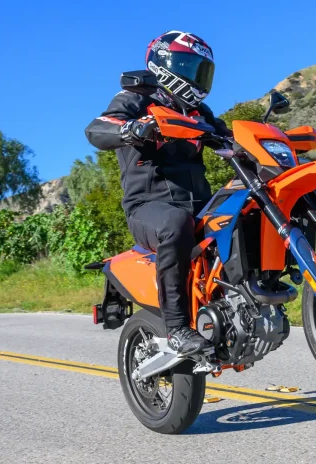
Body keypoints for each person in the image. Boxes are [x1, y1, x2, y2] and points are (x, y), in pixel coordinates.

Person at [85, 31, 231, 355]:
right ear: (164, 64)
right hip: (148, 208)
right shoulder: (137, 97)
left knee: (244, 207)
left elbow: (228, 138)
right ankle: (177, 328)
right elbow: (97, 128)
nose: (196, 76)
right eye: (188, 66)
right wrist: (131, 128)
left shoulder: (197, 113)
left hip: (198, 206)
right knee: (175, 223)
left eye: (201, 70)